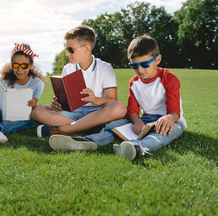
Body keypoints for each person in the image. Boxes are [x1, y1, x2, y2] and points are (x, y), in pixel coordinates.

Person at [50, 35, 187, 160]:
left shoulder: (169, 79)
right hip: (145, 119)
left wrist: (168, 118)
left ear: (157, 59)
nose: (140, 70)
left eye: (145, 64)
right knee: (115, 125)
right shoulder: (134, 82)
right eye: (134, 66)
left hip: (172, 120)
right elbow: (132, 110)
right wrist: (137, 120)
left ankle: (136, 147)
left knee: (163, 133)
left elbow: (175, 112)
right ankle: (88, 141)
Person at [31, 25, 127, 148]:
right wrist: (57, 103)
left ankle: (64, 129)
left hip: (96, 112)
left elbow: (113, 100)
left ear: (86, 48)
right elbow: (64, 98)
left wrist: (96, 99)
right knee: (37, 111)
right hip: (74, 113)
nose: (67, 53)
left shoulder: (105, 68)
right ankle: (89, 126)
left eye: (71, 50)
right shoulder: (68, 68)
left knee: (120, 107)